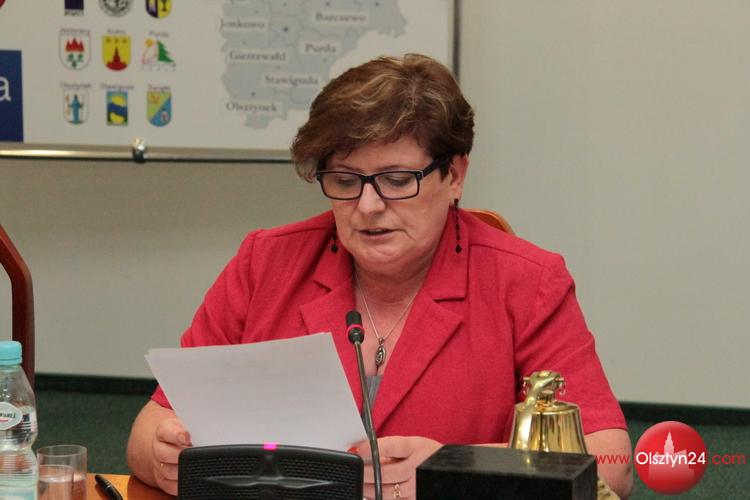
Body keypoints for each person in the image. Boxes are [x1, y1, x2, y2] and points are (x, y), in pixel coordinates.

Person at [126, 53, 633, 498]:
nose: (368, 205)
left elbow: (610, 461)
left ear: (455, 176)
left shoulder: (527, 281)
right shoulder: (267, 262)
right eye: (346, 181)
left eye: (396, 180)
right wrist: (163, 454)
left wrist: (452, 470)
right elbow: (150, 427)